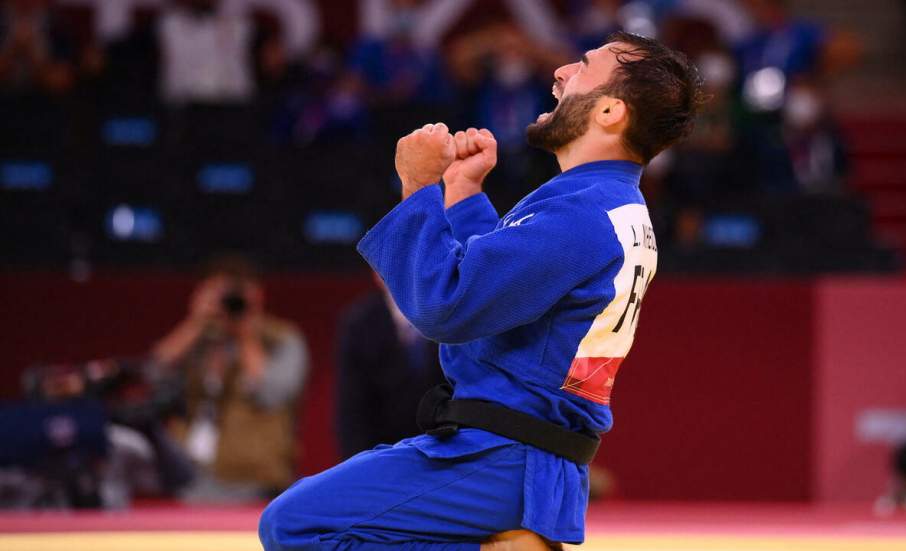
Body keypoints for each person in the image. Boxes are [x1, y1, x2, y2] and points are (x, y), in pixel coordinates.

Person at [259, 31, 703, 550]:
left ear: (609, 112)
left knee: (297, 525)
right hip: (525, 453)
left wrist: (417, 188)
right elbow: (499, 294)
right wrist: (465, 194)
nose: (560, 71)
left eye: (583, 66)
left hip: (502, 455)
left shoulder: (580, 213)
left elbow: (445, 308)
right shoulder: (610, 206)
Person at [152, 255, 309, 503]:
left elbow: (272, 393)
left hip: (254, 481)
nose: (225, 303)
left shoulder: (282, 339)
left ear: (257, 295)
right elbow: (152, 375)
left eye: (234, 294)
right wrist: (194, 324)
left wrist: (245, 335)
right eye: (216, 294)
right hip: (189, 480)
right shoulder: (198, 340)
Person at [335, 275, 446, 459]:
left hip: (447, 456)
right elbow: (352, 412)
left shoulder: (455, 314)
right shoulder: (360, 323)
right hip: (381, 458)